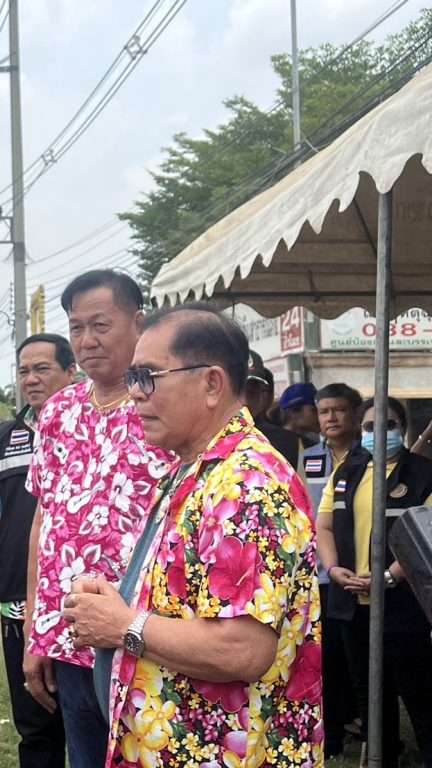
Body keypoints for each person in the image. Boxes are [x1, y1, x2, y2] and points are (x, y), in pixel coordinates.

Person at [63, 304, 322, 767]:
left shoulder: (245, 484)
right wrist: (119, 602)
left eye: (147, 376)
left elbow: (241, 649)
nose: (134, 392)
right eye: (133, 377)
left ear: (211, 384)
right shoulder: (197, 469)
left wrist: (124, 625)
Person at [23, 270, 172, 768]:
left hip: (147, 638)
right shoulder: (57, 412)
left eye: (101, 325)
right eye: (77, 328)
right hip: (72, 637)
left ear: (138, 323)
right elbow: (44, 525)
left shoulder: (164, 404)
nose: (87, 341)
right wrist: (37, 634)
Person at [0, 334, 74, 768]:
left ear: (71, 373)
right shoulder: (4, 439)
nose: (31, 379)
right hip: (18, 608)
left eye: (42, 369)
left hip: (81, 607)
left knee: (92, 726)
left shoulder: (94, 430)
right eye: (24, 371)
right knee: (35, 728)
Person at [317, 395, 432, 768]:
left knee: (418, 691)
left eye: (389, 424)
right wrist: (333, 569)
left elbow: (427, 534)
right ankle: (383, 757)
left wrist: (387, 577)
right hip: (353, 603)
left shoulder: (423, 472)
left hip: (403, 602)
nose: (378, 431)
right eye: (370, 425)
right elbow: (324, 525)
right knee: (369, 692)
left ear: (404, 428)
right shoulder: (346, 471)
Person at [302, 382, 363, 757]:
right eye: (324, 411)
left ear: (355, 414)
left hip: (358, 570)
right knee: (326, 658)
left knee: (358, 657)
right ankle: (333, 735)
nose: (331, 418)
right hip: (320, 576)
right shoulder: (309, 456)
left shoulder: (369, 456)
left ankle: (369, 729)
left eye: (339, 410)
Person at [243, 349, 309, 469]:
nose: (245, 401)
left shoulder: (287, 443)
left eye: (253, 392)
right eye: (236, 391)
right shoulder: (207, 441)